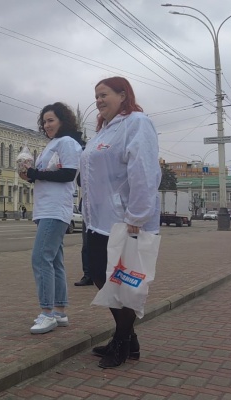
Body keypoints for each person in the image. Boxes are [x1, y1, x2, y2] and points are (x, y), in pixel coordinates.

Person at [79, 77, 161, 368]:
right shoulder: (103, 131)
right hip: (98, 220)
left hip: (125, 220)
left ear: (123, 95)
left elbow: (144, 171)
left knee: (125, 283)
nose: (98, 101)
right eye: (96, 96)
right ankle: (128, 338)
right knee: (100, 277)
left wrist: (137, 215)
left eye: (104, 95)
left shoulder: (137, 123)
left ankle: (122, 342)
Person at [20, 102, 83, 334]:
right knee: (54, 261)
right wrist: (30, 175)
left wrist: (36, 173)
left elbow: (68, 174)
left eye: (51, 120)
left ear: (62, 121)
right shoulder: (53, 144)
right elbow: (48, 174)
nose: (46, 125)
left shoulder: (67, 142)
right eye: (44, 121)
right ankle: (59, 311)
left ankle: (47, 313)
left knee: (40, 259)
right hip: (46, 209)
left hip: (55, 210)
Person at [74, 196, 93, 286]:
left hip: (104, 214)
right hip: (88, 216)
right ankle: (88, 276)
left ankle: (105, 276)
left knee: (104, 246)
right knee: (86, 246)